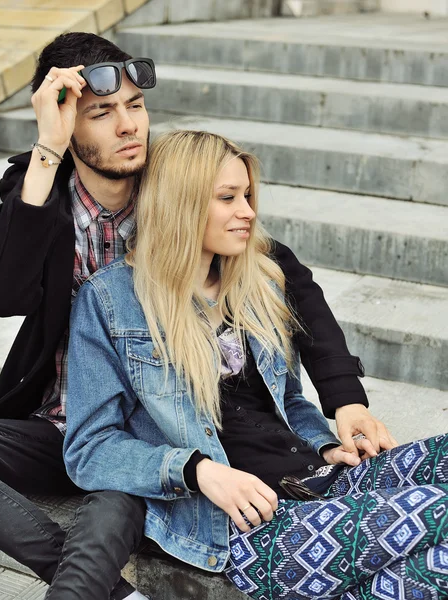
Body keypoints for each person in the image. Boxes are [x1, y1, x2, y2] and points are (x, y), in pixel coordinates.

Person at [0, 29, 392, 600]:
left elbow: (287, 278)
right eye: (101, 113)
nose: (128, 126)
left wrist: (344, 395)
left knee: (117, 503)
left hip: (161, 424)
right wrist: (47, 151)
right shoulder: (43, 193)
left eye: (136, 106)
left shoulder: (173, 185)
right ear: (68, 126)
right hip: (62, 419)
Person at [64, 130, 448, 600]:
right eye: (228, 198)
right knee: (439, 511)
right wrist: (199, 471)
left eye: (246, 195)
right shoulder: (110, 300)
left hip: (319, 479)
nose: (247, 212)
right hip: (250, 528)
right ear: (180, 205)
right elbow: (89, 448)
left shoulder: (254, 281)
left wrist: (326, 447)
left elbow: (286, 399)